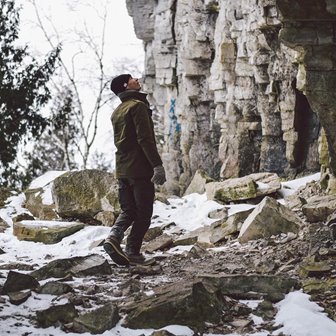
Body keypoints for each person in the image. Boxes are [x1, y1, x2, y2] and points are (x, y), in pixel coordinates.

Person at [103, 73, 166, 266]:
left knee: (129, 210)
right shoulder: (137, 106)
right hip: (139, 168)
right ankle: (132, 251)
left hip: (122, 169)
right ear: (126, 85)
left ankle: (113, 237)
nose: (137, 79)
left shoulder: (117, 111)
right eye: (132, 78)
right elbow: (145, 139)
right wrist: (157, 165)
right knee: (144, 212)